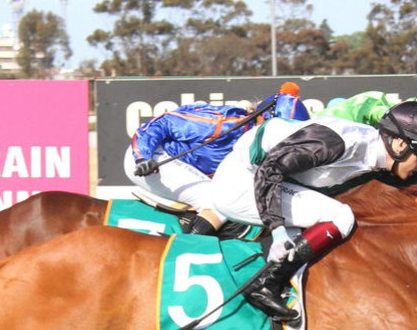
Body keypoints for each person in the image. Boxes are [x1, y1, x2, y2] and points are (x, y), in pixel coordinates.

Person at [210, 99, 417, 322]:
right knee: (340, 216)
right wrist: (277, 229)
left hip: (264, 178)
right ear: (400, 144)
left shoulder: (375, 151)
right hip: (241, 183)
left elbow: (415, 183)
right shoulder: (337, 143)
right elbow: (269, 169)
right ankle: (264, 285)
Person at [125, 82, 310, 235]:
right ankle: (187, 247)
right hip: (154, 159)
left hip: (187, 168)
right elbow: (160, 123)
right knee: (218, 203)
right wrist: (142, 157)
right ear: (262, 119)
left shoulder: (264, 145)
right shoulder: (220, 123)